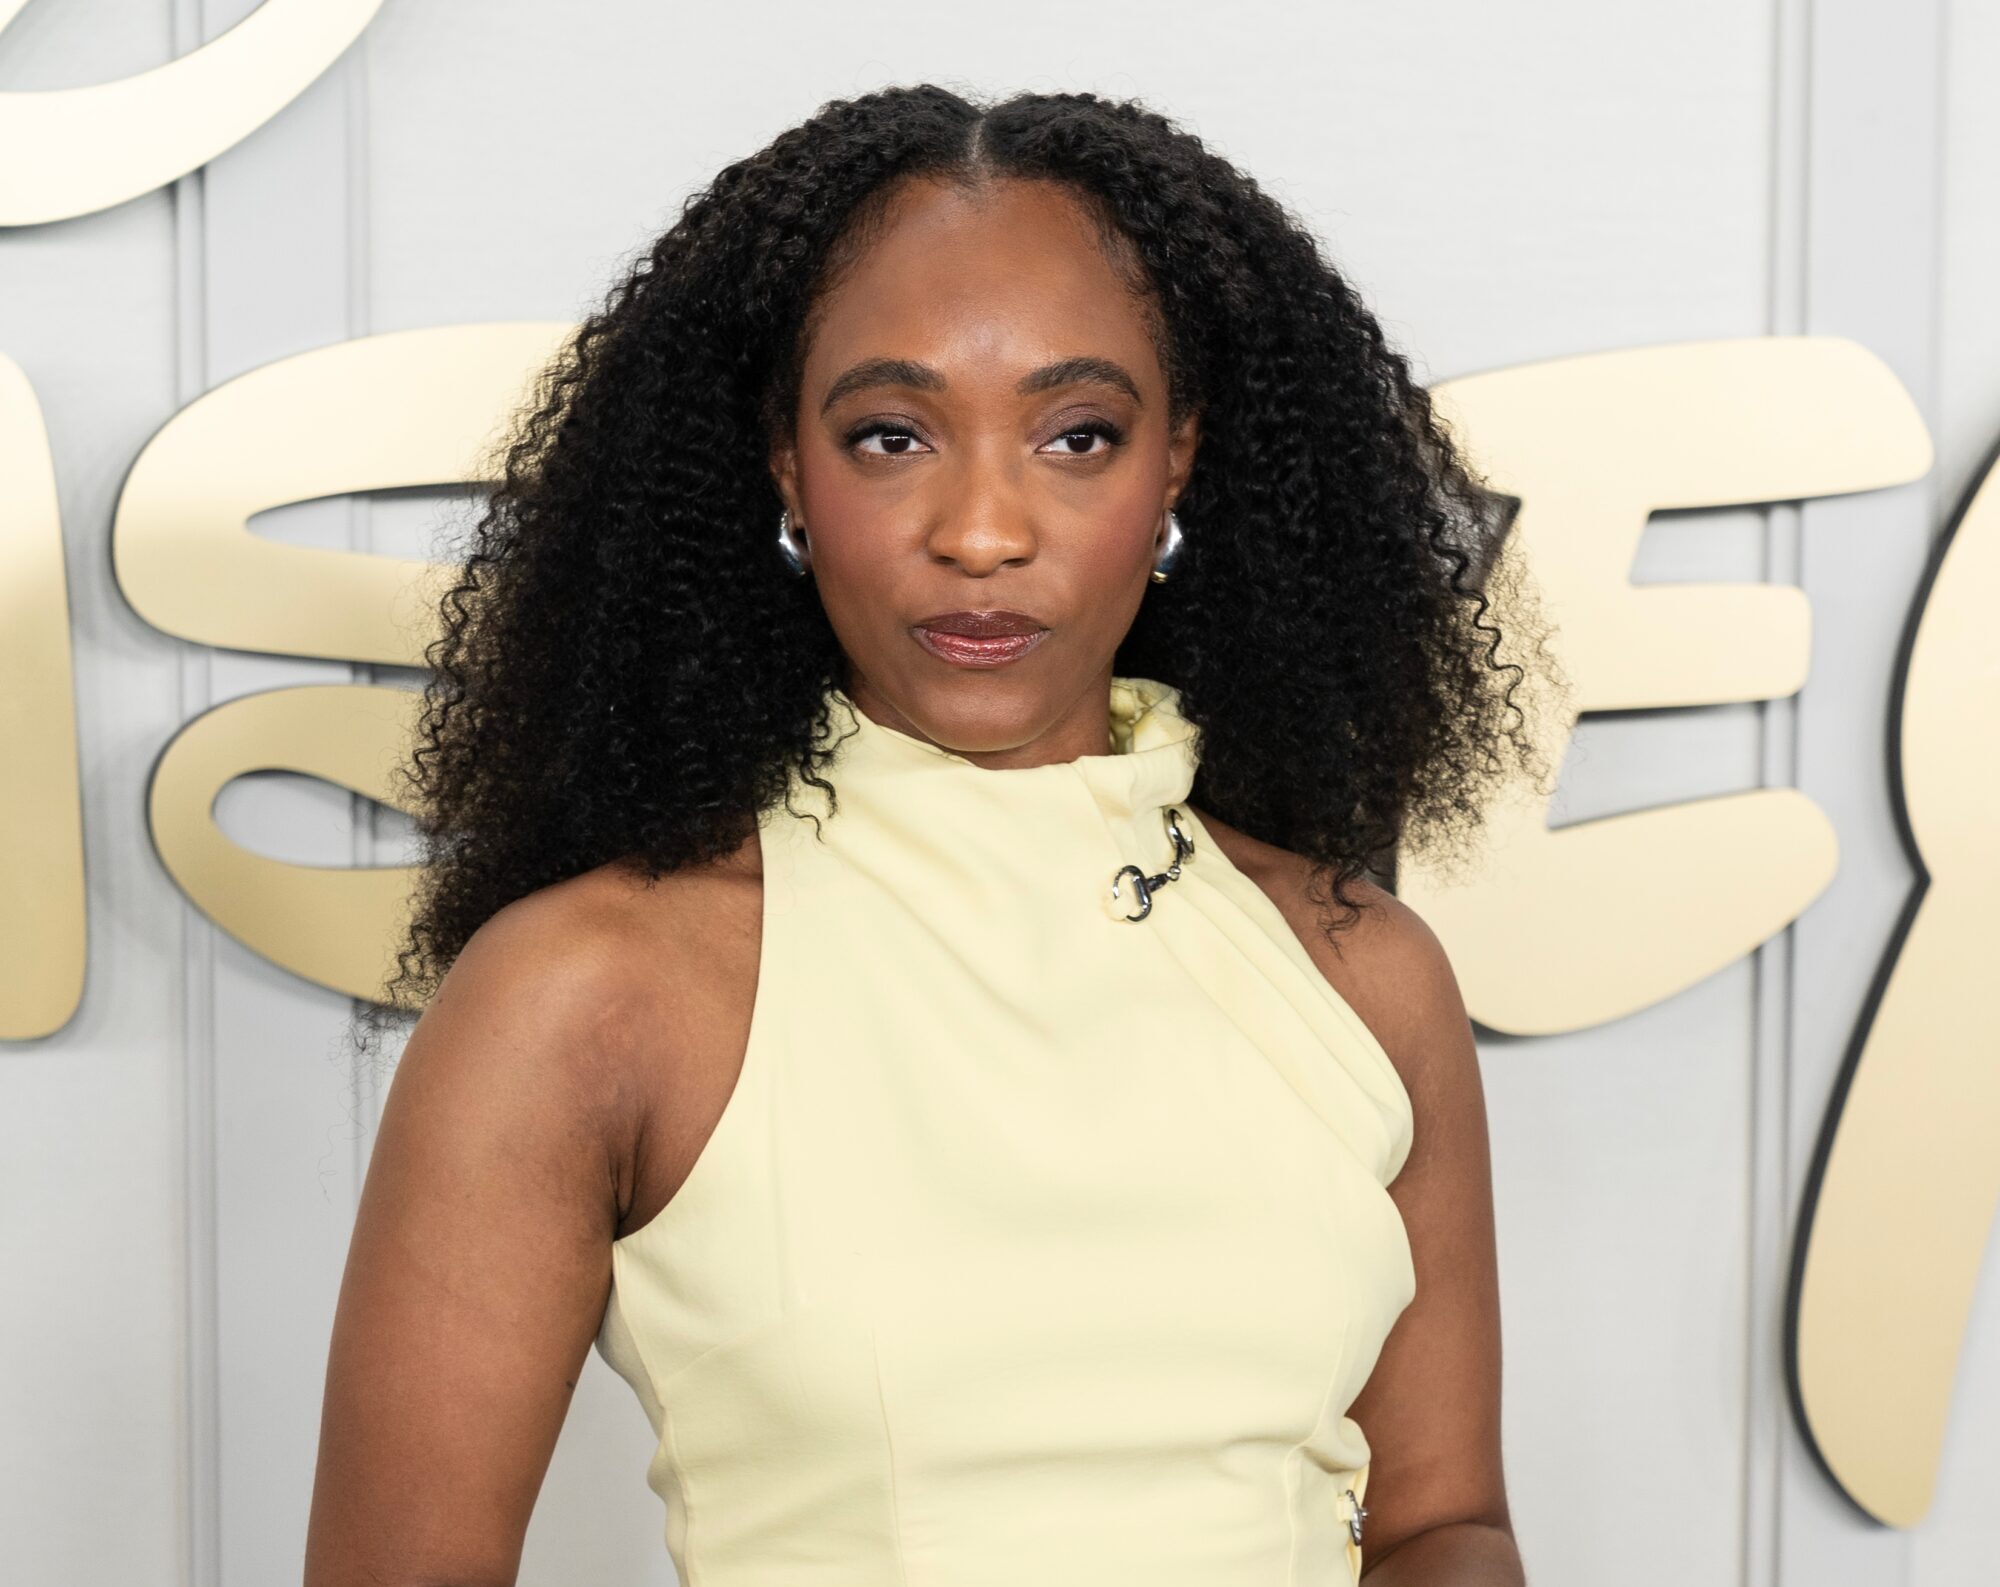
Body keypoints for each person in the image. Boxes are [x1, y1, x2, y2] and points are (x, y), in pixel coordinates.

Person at [306, 84, 1554, 1587]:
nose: (981, 531)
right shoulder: (589, 992)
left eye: (1078, 435)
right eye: (891, 436)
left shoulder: (1360, 973)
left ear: (1177, 464)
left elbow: (1439, 1524)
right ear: (787, 467)